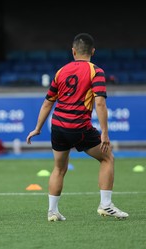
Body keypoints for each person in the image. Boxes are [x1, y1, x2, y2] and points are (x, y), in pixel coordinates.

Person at [26, 33, 129, 221]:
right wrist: (105, 133)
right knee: (107, 158)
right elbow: (100, 104)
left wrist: (37, 128)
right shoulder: (96, 71)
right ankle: (106, 205)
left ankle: (52, 211)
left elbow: (48, 102)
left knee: (59, 168)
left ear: (73, 51)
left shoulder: (60, 71)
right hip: (79, 126)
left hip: (57, 126)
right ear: (93, 51)